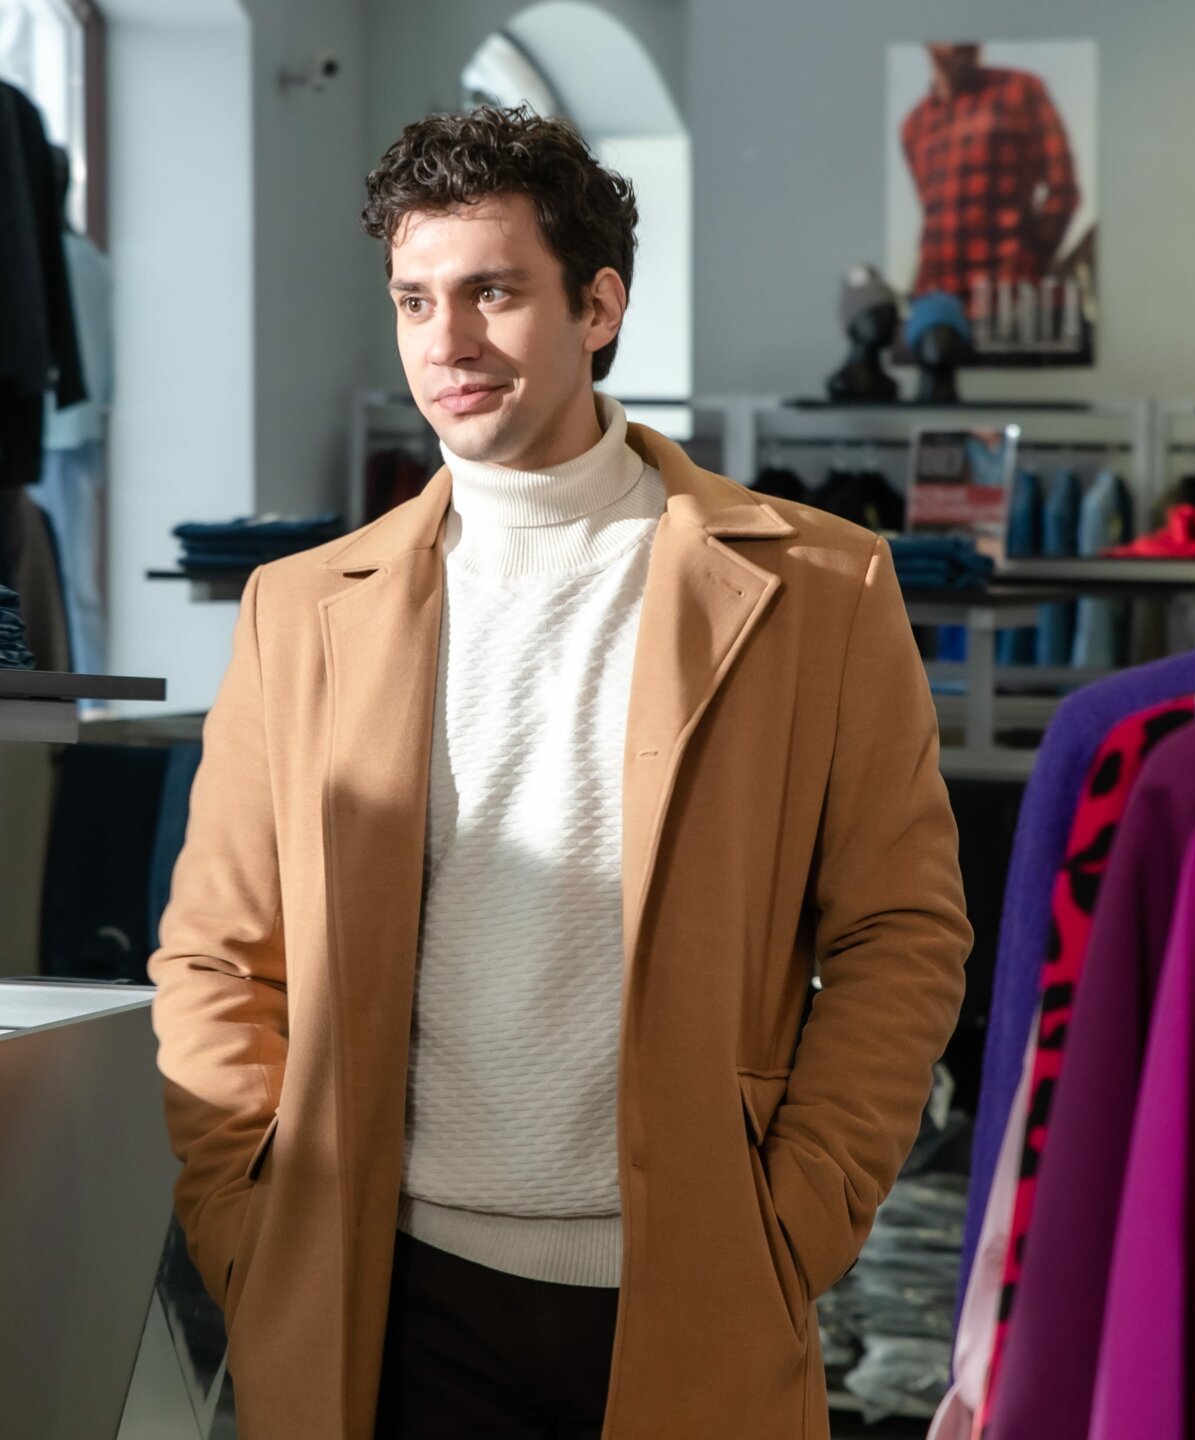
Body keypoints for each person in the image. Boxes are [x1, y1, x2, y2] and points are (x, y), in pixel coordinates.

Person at [150, 104, 970, 1440]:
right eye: (414, 300)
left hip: (691, 1284)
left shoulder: (821, 585)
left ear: (599, 306)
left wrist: (801, 1213)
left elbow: (901, 931)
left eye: (492, 293)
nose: (447, 342)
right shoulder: (301, 610)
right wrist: (246, 1217)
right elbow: (219, 955)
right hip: (381, 1299)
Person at [901, 43, 1079, 305]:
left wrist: (1032, 262)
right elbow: (933, 214)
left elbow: (1062, 189)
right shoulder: (913, 125)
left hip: (1007, 298)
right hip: (940, 304)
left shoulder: (1020, 90)